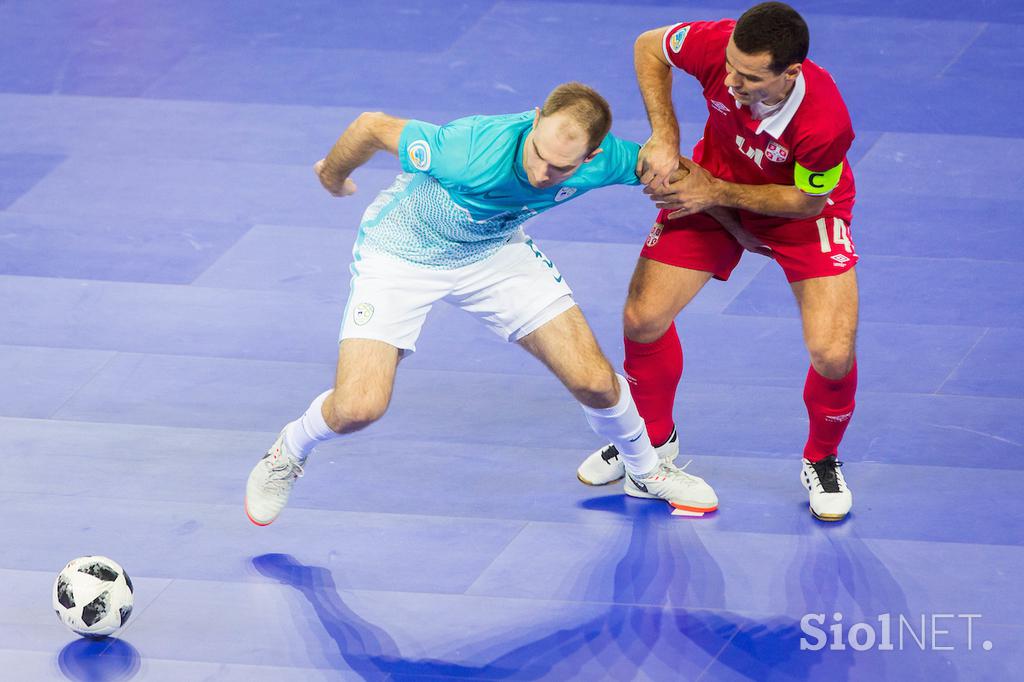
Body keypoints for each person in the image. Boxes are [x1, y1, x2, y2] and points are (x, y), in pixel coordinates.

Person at [245, 82, 719, 526]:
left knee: (595, 381)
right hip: (404, 253)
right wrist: (332, 174)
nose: (541, 174)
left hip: (492, 252)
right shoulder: (466, 147)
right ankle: (289, 449)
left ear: (592, 156)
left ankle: (646, 468)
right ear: (535, 120)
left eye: (560, 169)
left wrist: (727, 201)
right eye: (539, 155)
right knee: (358, 407)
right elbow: (371, 125)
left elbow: (674, 172)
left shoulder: (608, 159)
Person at [576, 3, 859, 521]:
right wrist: (666, 134)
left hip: (796, 210)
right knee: (643, 319)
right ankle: (652, 446)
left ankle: (821, 457)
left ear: (789, 73)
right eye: (730, 65)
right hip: (713, 188)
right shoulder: (719, 45)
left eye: (750, 77)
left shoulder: (825, 122)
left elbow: (808, 202)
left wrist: (716, 192)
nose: (730, 80)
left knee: (832, 353)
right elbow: (649, 46)